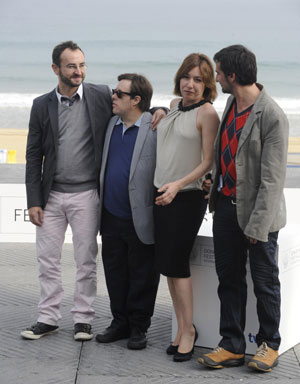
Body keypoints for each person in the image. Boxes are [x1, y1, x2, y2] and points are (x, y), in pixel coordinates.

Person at [21, 41, 165, 342]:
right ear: (55, 69)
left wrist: (161, 110)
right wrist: (33, 200)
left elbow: (137, 106)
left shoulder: (100, 95)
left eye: (82, 65)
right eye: (72, 66)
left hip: (87, 194)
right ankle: (47, 317)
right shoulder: (40, 105)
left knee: (86, 260)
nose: (78, 71)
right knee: (47, 259)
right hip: (50, 196)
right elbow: (33, 155)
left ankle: (83, 320)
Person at [198, 45, 289, 372]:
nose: (217, 77)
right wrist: (215, 182)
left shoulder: (272, 115)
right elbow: (230, 154)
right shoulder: (230, 103)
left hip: (258, 217)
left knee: (265, 283)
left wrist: (257, 226)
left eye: (220, 72)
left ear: (233, 76)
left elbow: (272, 179)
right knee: (229, 280)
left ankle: (269, 345)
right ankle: (232, 345)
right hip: (225, 208)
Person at [153, 53, 220, 362]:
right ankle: (181, 327)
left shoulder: (207, 114)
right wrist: (159, 109)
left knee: (178, 265)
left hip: (186, 197)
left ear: (207, 85)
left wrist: (178, 185)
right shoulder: (175, 106)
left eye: (198, 80)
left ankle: (190, 332)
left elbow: (208, 162)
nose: (190, 84)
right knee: (167, 265)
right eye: (186, 77)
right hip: (161, 193)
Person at [95, 74, 160, 350]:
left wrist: (163, 109)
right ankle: (119, 322)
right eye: (114, 92)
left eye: (119, 93)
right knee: (115, 272)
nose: (113, 96)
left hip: (140, 216)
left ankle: (139, 327)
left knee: (143, 274)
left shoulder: (155, 126)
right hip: (110, 214)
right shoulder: (112, 124)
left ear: (136, 100)